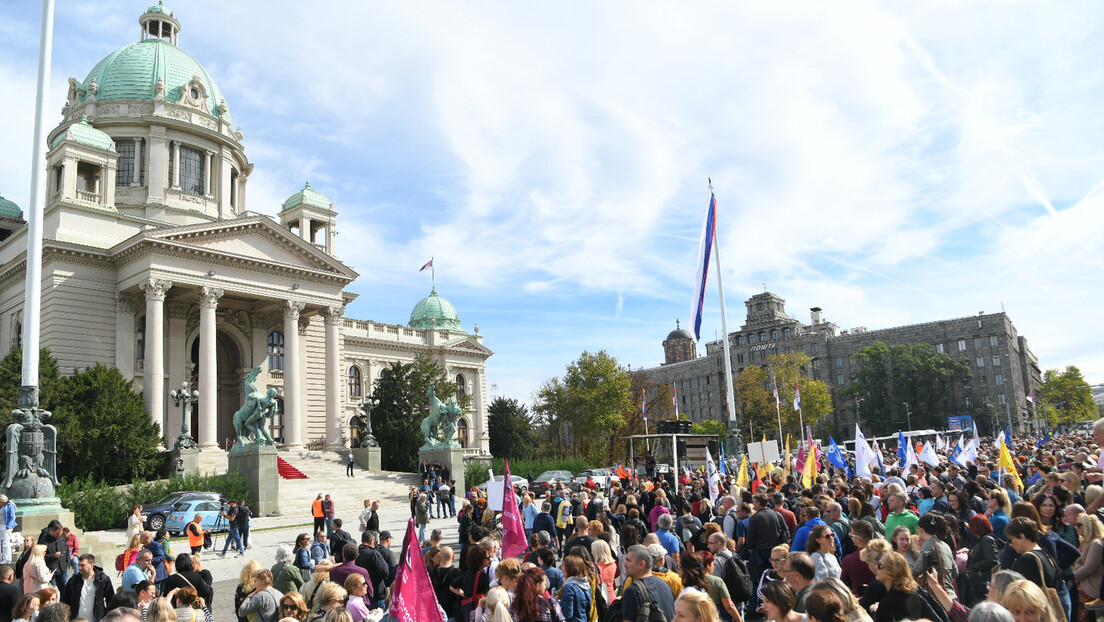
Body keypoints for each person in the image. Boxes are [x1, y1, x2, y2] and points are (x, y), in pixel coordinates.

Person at [870, 551, 941, 622]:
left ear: (890, 573)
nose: (876, 568)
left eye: (880, 565)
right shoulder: (914, 593)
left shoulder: (886, 604)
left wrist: (874, 612)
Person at [680, 551, 742, 622]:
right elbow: (729, 606)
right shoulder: (717, 581)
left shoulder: (689, 581)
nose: (714, 567)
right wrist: (739, 620)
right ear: (708, 566)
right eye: (713, 564)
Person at [621, 543, 676, 621]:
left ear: (641, 564)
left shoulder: (633, 591)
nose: (624, 564)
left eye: (629, 561)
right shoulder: (665, 585)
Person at [1004, 518, 1058, 593]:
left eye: (1010, 540)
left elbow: (1019, 593)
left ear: (1022, 537)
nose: (1010, 545)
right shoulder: (1046, 555)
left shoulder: (1027, 559)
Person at [60, 553, 114, 622]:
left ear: (92, 564)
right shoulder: (74, 580)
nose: (79, 568)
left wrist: (106, 616)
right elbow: (65, 600)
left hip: (97, 619)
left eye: (82, 565)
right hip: (77, 620)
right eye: (79, 565)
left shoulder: (103, 580)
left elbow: (111, 600)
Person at [963, 515, 1000, 607]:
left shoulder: (987, 540)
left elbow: (992, 560)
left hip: (982, 580)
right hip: (976, 580)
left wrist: (974, 566)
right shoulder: (977, 539)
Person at [1073, 513, 1104, 621]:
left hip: (1090, 590)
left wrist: (1072, 576)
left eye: (1079, 525)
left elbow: (1088, 568)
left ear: (1088, 527)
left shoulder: (1096, 544)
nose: (1076, 527)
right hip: (1083, 587)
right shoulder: (1084, 542)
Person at [451, 545, 491, 622]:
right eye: (487, 558)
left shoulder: (467, 573)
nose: (489, 560)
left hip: (466, 610)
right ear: (480, 560)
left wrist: (465, 594)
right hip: (478, 610)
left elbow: (452, 586)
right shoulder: (483, 576)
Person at [840, 520, 876, 597]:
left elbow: (842, 583)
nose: (851, 538)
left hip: (858, 599)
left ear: (858, 539)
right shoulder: (882, 556)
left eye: (852, 535)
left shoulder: (849, 559)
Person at [559, 555, 593, 622]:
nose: (561, 568)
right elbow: (588, 608)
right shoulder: (585, 584)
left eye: (563, 565)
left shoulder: (569, 587)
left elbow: (567, 614)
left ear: (570, 568)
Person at [0, 496, 15, 565]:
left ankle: (7, 558)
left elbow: (12, 517)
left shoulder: (9, 506)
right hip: (1, 525)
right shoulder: (1, 507)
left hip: (6, 526)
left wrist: (8, 526)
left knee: (6, 543)